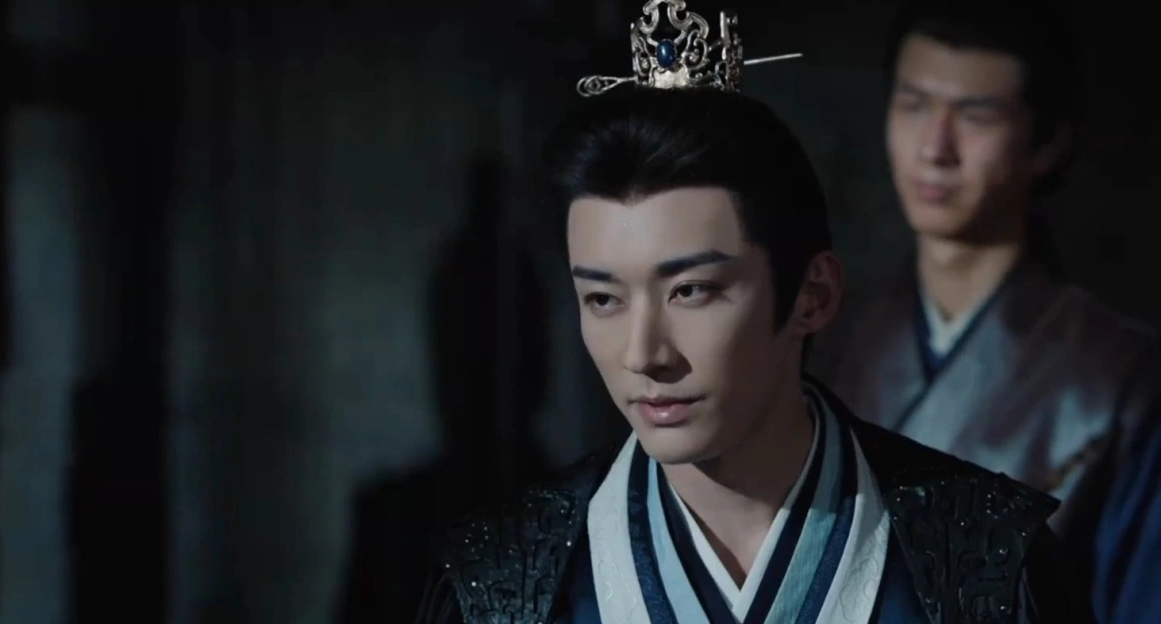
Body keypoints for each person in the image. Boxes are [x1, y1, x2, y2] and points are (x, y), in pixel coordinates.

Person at [416, 1, 1094, 622]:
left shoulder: (987, 559)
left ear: (813, 294)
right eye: (604, 299)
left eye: (692, 291)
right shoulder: (504, 582)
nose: (644, 354)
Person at [810, 1, 1161, 622]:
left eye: (975, 115)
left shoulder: (1118, 376)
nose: (935, 148)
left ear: (1047, 143)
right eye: (913, 105)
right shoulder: (826, 334)